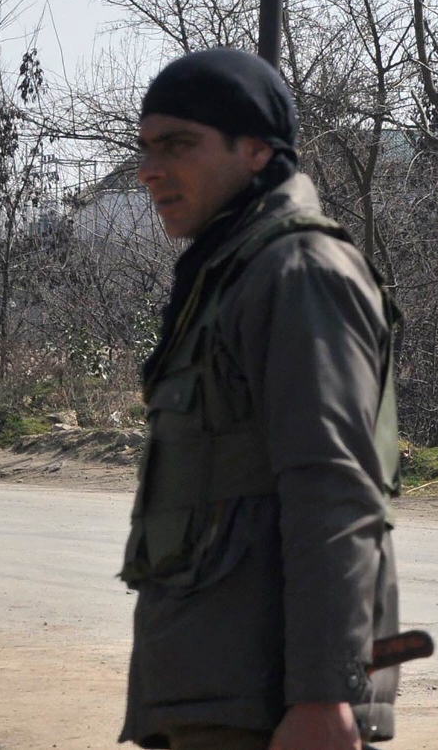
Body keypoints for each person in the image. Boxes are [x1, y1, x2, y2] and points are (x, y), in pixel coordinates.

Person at [121, 49, 400, 750]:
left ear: (255, 152)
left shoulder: (298, 270)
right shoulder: (229, 271)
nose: (151, 169)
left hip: (271, 706)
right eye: (147, 148)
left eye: (179, 145)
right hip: (211, 692)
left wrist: (324, 695)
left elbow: (333, 488)